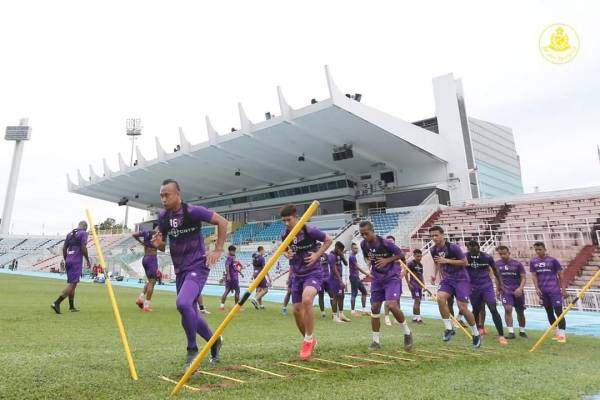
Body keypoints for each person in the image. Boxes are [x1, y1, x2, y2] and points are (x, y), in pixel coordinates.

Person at [152, 179, 227, 369]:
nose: (163, 198)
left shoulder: (193, 211)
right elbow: (161, 246)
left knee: (183, 303)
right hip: (180, 270)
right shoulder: (163, 217)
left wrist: (217, 249)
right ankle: (214, 341)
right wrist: (158, 243)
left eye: (167, 194)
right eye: (161, 195)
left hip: (197, 266)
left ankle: (192, 350)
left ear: (178, 194)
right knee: (189, 310)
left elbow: (222, 221)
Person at [280, 203, 332, 360]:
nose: (287, 223)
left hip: (313, 272)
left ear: (296, 217)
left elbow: (328, 240)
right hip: (297, 274)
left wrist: (317, 255)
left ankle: (308, 341)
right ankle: (308, 338)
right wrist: (286, 254)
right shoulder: (285, 235)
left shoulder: (308, 230)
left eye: (289, 220)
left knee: (307, 300)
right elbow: (285, 250)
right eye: (284, 221)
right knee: (296, 310)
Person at [359, 221, 413, 351]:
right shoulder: (363, 244)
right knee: (375, 307)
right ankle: (376, 341)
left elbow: (401, 254)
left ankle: (407, 332)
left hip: (391, 278)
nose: (364, 236)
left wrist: (386, 260)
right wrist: (369, 263)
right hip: (377, 279)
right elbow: (367, 256)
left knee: (392, 305)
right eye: (362, 234)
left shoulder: (386, 243)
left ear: (373, 231)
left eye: (366, 233)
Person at [429, 226, 481, 348]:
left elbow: (465, 262)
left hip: (461, 279)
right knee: (440, 298)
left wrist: (447, 261)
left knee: (462, 308)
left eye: (436, 235)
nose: (434, 238)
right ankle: (448, 328)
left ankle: (475, 333)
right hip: (447, 279)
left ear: (442, 235)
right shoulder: (433, 250)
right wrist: (434, 274)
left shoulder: (453, 247)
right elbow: (437, 262)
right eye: (432, 236)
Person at [465, 240, 507, 346]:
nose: (471, 251)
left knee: (493, 308)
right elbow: (460, 272)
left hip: (486, 286)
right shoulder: (464, 257)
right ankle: (476, 332)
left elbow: (496, 270)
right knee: (476, 310)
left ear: (478, 248)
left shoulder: (487, 257)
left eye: (474, 248)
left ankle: (501, 335)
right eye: (469, 248)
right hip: (473, 288)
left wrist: (501, 285)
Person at [530, 241, 567, 343]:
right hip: (543, 291)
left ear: (545, 249)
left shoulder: (553, 260)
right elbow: (534, 275)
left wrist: (563, 289)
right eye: (536, 249)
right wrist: (536, 288)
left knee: (558, 311)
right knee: (549, 312)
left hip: (554, 290)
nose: (538, 251)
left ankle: (562, 334)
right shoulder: (533, 261)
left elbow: (561, 275)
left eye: (540, 249)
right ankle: (556, 333)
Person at [51, 221, 91, 314]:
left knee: (73, 284)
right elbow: (83, 247)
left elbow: (64, 248)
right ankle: (56, 302)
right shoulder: (83, 233)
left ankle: (71, 307)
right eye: (86, 227)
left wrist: (66, 259)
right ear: (85, 226)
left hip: (69, 259)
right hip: (76, 260)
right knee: (73, 284)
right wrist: (88, 260)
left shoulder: (70, 234)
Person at [496, 246, 527, 339]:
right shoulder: (497, 264)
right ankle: (511, 332)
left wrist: (520, 288)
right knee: (508, 309)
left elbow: (523, 277)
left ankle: (522, 331)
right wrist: (497, 290)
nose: (502, 255)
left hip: (517, 290)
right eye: (500, 254)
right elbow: (497, 278)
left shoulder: (517, 264)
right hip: (506, 291)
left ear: (509, 253)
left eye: (504, 253)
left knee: (520, 312)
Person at [132, 223, 159, 312]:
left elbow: (134, 234)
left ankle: (140, 298)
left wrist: (141, 242)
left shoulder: (147, 232)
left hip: (145, 258)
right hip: (152, 258)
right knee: (152, 282)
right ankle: (146, 306)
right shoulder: (158, 234)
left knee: (150, 281)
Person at [327, 241, 350, 322]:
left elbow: (346, 263)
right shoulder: (331, 256)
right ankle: (334, 316)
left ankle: (341, 314)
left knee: (341, 296)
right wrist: (340, 281)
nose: (342, 251)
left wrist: (342, 255)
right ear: (337, 248)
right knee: (335, 297)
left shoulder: (339, 254)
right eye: (341, 250)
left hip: (339, 278)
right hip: (334, 279)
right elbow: (334, 269)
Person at [382, 235, 402, 326]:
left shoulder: (398, 253)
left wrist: (403, 274)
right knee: (388, 300)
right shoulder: (384, 254)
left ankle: (397, 318)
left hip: (397, 279)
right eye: (388, 241)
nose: (390, 243)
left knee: (397, 299)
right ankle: (386, 317)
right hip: (388, 280)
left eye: (392, 242)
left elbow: (405, 267)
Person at [349, 242, 370, 316]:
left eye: (357, 248)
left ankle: (364, 310)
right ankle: (353, 311)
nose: (356, 249)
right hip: (354, 277)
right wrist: (367, 274)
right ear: (351, 249)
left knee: (364, 292)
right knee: (354, 293)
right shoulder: (352, 257)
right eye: (355, 248)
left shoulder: (353, 256)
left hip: (356, 277)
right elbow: (357, 267)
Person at [219, 245, 242, 310]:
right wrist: (229, 276)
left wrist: (240, 272)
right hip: (233, 277)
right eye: (234, 251)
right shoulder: (230, 258)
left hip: (230, 277)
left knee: (227, 290)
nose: (235, 252)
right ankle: (236, 308)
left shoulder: (231, 258)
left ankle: (222, 306)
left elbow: (234, 268)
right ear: (230, 251)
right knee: (237, 291)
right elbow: (227, 266)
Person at [405, 249, 424, 323]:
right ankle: (419, 319)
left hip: (419, 285)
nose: (419, 258)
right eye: (418, 256)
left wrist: (423, 284)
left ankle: (414, 318)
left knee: (418, 302)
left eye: (420, 256)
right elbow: (405, 273)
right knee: (417, 300)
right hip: (414, 284)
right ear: (414, 256)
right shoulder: (410, 263)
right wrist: (408, 284)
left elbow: (421, 275)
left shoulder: (421, 265)